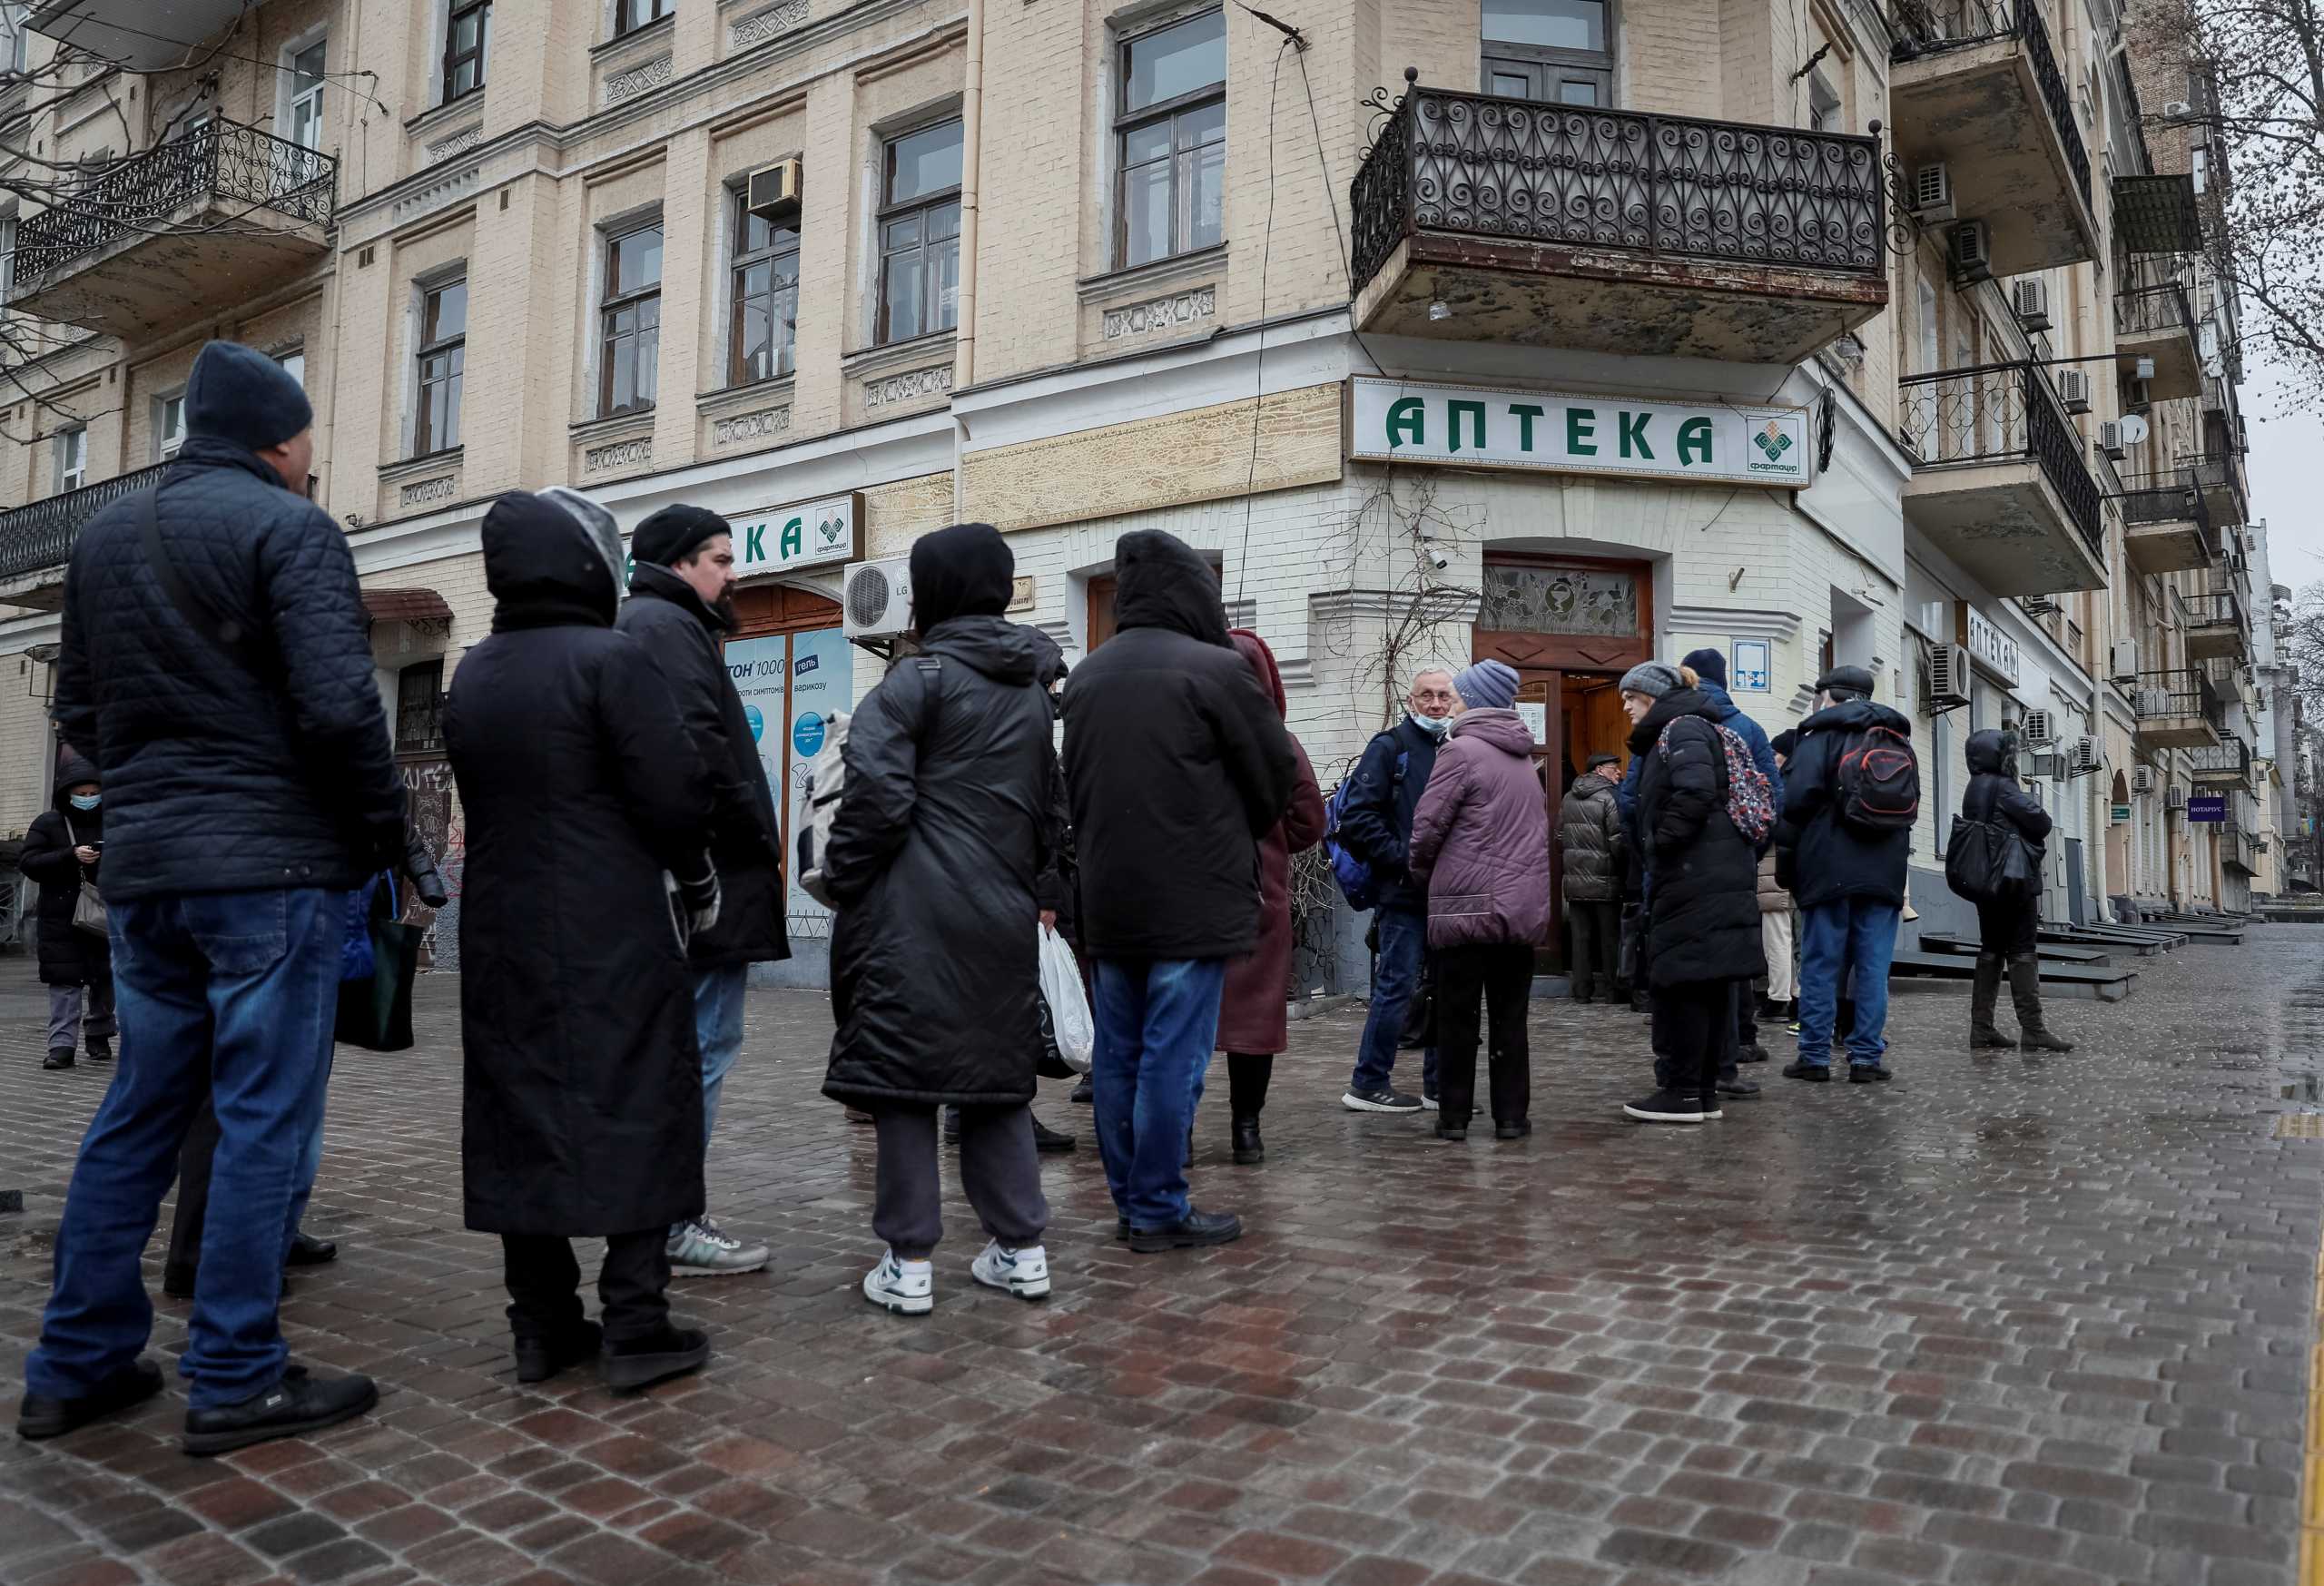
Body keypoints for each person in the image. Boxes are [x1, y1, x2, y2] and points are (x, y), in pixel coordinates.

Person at [20, 341, 400, 1453]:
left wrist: (155, 785)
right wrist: (384, 835)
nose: (312, 461)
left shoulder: (102, 540)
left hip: (148, 873)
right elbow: (342, 710)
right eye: (309, 443)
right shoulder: (292, 529)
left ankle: (77, 1364)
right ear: (279, 440)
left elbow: (78, 712)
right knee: (259, 1120)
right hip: (268, 870)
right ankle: (234, 1372)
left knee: (139, 1107)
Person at [447, 488, 720, 1393]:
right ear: (587, 562)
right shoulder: (614, 660)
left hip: (499, 930)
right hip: (613, 924)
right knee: (639, 1099)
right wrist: (701, 881)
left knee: (521, 1112)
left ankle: (542, 1323)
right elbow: (674, 793)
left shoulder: (475, 672)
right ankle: (637, 1320)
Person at [823, 524, 1060, 1311]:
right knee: (995, 1082)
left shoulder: (912, 681)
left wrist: (843, 878)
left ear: (930, 592)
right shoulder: (1031, 687)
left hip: (909, 915)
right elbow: (1047, 809)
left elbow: (877, 800)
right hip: (1001, 912)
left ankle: (909, 1263)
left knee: (903, 1081)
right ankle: (1021, 1248)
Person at [1063, 530, 1295, 1252]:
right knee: (1172, 1055)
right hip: (1194, 899)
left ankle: (1134, 1201)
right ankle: (1160, 1205)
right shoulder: (1218, 669)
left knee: (1120, 1053)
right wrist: (1233, 828)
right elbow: (1274, 778)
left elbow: (1073, 785)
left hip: (1108, 896)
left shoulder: (1089, 675)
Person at [162, 807, 450, 1300]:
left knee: (295, 1109)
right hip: (270, 944)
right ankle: (202, 1257)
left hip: (321, 946)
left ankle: (273, 1230)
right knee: (236, 1106)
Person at [615, 505, 793, 1277]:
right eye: (720, 558)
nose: (733, 573)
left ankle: (660, 1211)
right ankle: (674, 1217)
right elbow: (698, 756)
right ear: (682, 564)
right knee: (699, 1050)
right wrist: (749, 841)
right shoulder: (666, 628)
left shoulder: (659, 624)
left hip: (694, 882)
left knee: (691, 1047)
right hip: (706, 888)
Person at [1406, 661, 1549, 1141]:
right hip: (1518, 912)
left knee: (1457, 1020)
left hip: (1465, 908)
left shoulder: (1461, 751)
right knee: (1511, 1021)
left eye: (1458, 694)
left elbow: (1426, 828)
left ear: (1475, 699)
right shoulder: (1524, 759)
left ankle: (1454, 1117)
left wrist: (1425, 876)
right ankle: (1512, 1118)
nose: (1451, 701)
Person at [1617, 663, 1765, 1124]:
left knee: (1680, 985)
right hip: (1712, 876)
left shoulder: (1681, 729)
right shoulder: (1698, 727)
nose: (1624, 707)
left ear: (1655, 698)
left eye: (1632, 698)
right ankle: (1701, 1092)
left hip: (1693, 878)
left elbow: (1695, 792)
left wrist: (1660, 843)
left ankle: (1681, 1092)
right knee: (1705, 987)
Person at [1213, 629, 1326, 1166]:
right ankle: (1246, 1129)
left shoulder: (1186, 732)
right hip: (1260, 888)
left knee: (1184, 1014)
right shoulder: (1277, 741)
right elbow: (1309, 820)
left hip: (1193, 889)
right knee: (1253, 1017)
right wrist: (1273, 841)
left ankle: (1174, 1137)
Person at [1779, 665, 1913, 1084]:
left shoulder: (1818, 738)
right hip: (1885, 870)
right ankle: (1866, 1059)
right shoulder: (1898, 740)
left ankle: (1815, 1056)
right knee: (1873, 967)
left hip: (1827, 866)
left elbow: (1796, 800)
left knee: (1821, 963)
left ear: (1830, 696)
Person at [1337, 668, 1458, 1113]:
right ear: (1412, 700)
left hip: (1448, 894)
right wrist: (1404, 860)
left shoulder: (1456, 748)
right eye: (1427, 696)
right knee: (1397, 987)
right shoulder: (1390, 747)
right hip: (1404, 894)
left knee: (1446, 989)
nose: (1436, 704)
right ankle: (1368, 1082)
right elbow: (1356, 818)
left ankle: (1440, 1085)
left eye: (1444, 696)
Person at [1680, 649, 1781, 1065]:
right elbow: (1772, 796)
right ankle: (1741, 1038)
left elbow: (1636, 798)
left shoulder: (1676, 722)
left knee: (1690, 947)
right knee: (1736, 947)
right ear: (1724, 680)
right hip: (1738, 856)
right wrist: (1751, 847)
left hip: (1686, 857)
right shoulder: (1750, 728)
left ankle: (1698, 1044)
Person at [1962, 727, 2073, 1053]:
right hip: (2013, 882)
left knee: (1991, 950)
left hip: (1987, 883)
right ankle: (2033, 1029)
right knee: (2023, 950)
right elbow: (2041, 822)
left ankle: (1981, 1029)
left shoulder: (1974, 786)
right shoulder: (2003, 786)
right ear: (2001, 756)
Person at [21, 751, 113, 1071]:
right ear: (67, 793)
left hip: (105, 913)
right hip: (61, 917)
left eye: (94, 793)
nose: (88, 799)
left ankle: (99, 1036)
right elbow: (29, 862)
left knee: (106, 978)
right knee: (65, 982)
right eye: (81, 794)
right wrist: (70, 856)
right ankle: (61, 1046)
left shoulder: (114, 820)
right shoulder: (49, 823)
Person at [1557, 751, 1627, 1004]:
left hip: (1575, 881)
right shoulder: (1609, 798)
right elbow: (1617, 840)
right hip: (1605, 880)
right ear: (1599, 770)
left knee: (1580, 939)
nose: (1618, 772)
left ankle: (1581, 992)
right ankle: (1611, 992)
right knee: (1609, 938)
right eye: (1612, 768)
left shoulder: (1568, 797)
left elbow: (1559, 839)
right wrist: (1623, 869)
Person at [1760, 731, 1800, 1026]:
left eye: (1776, 754)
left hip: (1774, 870)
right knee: (1796, 940)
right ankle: (1796, 995)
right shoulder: (1804, 780)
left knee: (1776, 937)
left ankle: (1778, 999)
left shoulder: (1780, 786)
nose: (1772, 759)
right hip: (1796, 871)